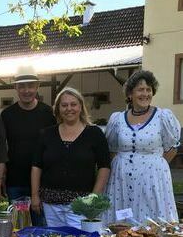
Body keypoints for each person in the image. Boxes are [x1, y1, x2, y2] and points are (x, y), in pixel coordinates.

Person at [103, 70, 181, 224]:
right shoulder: (117, 119)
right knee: (121, 223)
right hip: (121, 180)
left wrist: (153, 167)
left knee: (151, 223)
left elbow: (172, 149)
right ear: (130, 94)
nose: (145, 94)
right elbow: (112, 150)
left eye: (148, 90)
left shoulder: (162, 117)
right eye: (140, 89)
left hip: (152, 180)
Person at [31, 87, 110, 228]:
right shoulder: (47, 134)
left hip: (81, 206)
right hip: (50, 205)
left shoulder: (94, 133)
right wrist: (35, 195)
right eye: (64, 105)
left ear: (81, 107)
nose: (69, 109)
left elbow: (104, 167)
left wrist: (94, 198)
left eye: (73, 104)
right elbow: (37, 166)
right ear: (58, 109)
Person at [1, 65, 56, 226]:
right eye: (22, 86)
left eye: (30, 86)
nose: (27, 90)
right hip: (15, 181)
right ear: (15, 87)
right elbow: (3, 148)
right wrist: (1, 178)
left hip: (43, 182)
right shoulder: (7, 115)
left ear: (37, 86)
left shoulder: (48, 113)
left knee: (42, 228)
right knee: (19, 230)